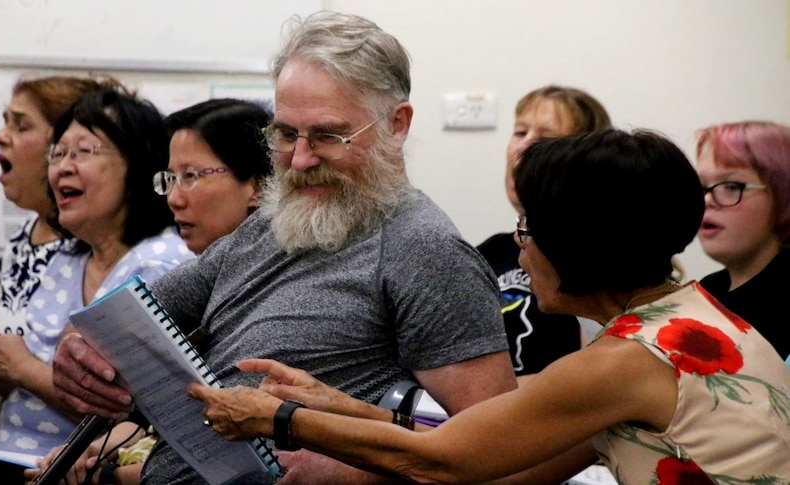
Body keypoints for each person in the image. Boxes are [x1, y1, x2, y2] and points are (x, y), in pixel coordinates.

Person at [51, 11, 517, 485]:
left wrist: (356, 469)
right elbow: (121, 320)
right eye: (285, 134)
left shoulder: (424, 251)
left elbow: (498, 450)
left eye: (327, 136)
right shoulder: (270, 226)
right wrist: (76, 352)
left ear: (397, 125)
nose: (299, 159)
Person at [192, 129, 790, 484]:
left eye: (528, 226)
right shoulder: (692, 319)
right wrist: (337, 405)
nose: (519, 248)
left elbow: (445, 463)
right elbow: (496, 458)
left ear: (580, 243)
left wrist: (276, 421)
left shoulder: (625, 360)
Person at [31, 98, 274, 485]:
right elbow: (153, 415)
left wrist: (107, 473)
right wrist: (95, 450)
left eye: (192, 176)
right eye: (170, 179)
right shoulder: (195, 280)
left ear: (258, 186)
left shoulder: (271, 292)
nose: (175, 198)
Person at [0, 86, 193, 457]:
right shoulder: (65, 255)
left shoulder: (161, 264)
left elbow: (136, 414)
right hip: (8, 456)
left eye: (84, 151)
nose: (64, 166)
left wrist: (19, 367)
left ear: (138, 166)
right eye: (59, 153)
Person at [0, 75, 119, 447]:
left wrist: (11, 366)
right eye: (5, 122)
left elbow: (112, 405)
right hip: (16, 428)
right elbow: (5, 375)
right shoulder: (22, 238)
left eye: (20, 125)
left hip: (69, 447)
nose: (0, 136)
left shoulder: (98, 245)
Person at [476, 85, 612, 377]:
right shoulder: (493, 251)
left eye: (547, 138)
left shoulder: (601, 262)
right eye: (520, 133)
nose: (525, 147)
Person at [695, 121, 790, 360]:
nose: (707, 200)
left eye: (731, 186)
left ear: (784, 193)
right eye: (701, 187)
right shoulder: (707, 290)